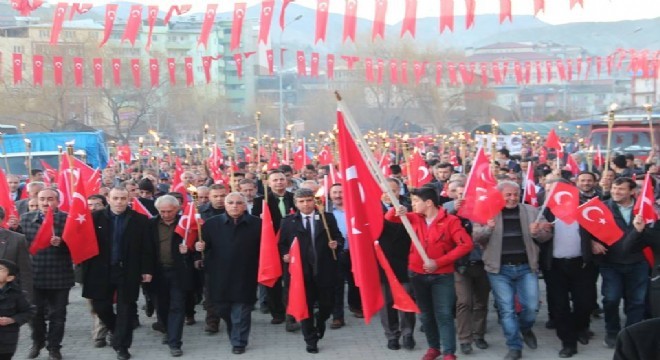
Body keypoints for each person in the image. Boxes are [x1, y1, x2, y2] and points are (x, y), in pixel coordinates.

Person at [386, 186, 473, 360]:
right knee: (425, 315)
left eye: (416, 201)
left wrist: (439, 262)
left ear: (428, 203)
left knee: (443, 314)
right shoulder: (414, 218)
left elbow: (466, 244)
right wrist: (396, 211)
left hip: (442, 276)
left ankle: (449, 352)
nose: (413, 204)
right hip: (417, 274)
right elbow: (389, 218)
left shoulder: (451, 221)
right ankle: (434, 348)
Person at [472, 181, 552, 360]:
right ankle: (514, 346)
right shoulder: (487, 211)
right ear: (498, 196)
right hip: (499, 270)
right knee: (507, 309)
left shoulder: (531, 211)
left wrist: (538, 232)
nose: (512, 198)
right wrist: (488, 228)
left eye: (515, 194)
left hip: (526, 268)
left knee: (531, 307)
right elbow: (476, 237)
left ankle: (525, 328)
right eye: (508, 195)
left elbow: (546, 235)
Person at [82, 187, 154, 360]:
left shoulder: (140, 220)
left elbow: (147, 248)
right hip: (101, 271)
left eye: (123, 198)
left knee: (126, 309)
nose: (119, 202)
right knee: (100, 306)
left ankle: (121, 346)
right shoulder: (94, 218)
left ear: (128, 199)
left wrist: (147, 270)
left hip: (128, 270)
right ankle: (116, 330)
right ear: (108, 198)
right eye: (115, 198)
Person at [278, 188, 343, 354]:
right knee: (305, 305)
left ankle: (320, 322)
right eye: (301, 201)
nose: (306, 204)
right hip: (302, 273)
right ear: (296, 204)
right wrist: (285, 254)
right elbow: (282, 244)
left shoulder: (326, 217)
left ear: (314, 201)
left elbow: (338, 237)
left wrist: (336, 243)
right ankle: (310, 339)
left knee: (327, 304)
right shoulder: (288, 221)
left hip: (324, 270)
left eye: (308, 200)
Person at [196, 192, 261, 355]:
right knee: (223, 309)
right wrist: (199, 249)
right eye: (230, 202)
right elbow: (204, 248)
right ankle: (234, 331)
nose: (234, 206)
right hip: (219, 275)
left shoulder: (258, 224)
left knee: (242, 310)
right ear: (225, 205)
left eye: (238, 203)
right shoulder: (211, 224)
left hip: (246, 274)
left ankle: (239, 341)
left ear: (245, 205)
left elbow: (265, 250)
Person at [540, 179, 597, 358]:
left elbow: (599, 229)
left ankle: (581, 329)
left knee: (584, 302)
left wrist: (594, 242)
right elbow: (537, 240)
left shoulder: (584, 209)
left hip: (581, 264)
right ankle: (568, 342)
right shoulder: (544, 213)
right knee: (560, 305)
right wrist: (538, 232)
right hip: (555, 266)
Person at [19, 188, 72, 360]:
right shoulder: (26, 219)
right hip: (34, 275)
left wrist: (63, 243)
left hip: (60, 275)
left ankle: (54, 348)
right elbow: (20, 246)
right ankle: (38, 341)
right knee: (34, 314)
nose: (45, 202)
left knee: (58, 315)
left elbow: (79, 247)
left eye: (50, 198)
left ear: (57, 201)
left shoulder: (67, 219)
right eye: (42, 199)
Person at [597, 177, 650, 348]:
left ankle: (631, 335)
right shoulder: (603, 208)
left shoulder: (644, 208)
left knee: (637, 302)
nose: (615, 192)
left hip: (638, 262)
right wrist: (591, 242)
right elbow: (587, 229)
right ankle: (612, 332)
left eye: (621, 189)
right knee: (611, 299)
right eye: (614, 188)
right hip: (611, 262)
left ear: (632, 192)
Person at [443, 181, 490, 355]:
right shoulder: (448, 208)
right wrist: (454, 209)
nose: (462, 196)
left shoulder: (481, 209)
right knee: (464, 302)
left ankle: (479, 335)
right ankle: (465, 339)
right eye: (458, 192)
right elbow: (440, 222)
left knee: (481, 302)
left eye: (465, 193)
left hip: (481, 263)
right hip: (460, 265)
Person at [149, 195, 195, 357]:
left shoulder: (186, 224)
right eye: (162, 211)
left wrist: (189, 249)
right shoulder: (151, 224)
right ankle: (167, 330)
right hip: (157, 273)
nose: (166, 214)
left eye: (169, 211)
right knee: (161, 307)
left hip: (178, 272)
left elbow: (198, 244)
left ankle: (175, 342)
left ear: (177, 209)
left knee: (177, 307)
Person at [251, 170, 296, 330]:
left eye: (282, 179)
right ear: (269, 183)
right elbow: (254, 224)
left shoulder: (294, 199)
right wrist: (261, 219)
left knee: (292, 280)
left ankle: (293, 310)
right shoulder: (261, 201)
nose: (279, 183)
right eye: (275, 180)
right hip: (271, 246)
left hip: (292, 244)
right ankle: (277, 313)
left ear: (287, 181)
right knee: (273, 281)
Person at [378, 178, 416, 351]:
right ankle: (392, 335)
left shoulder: (409, 207)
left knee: (407, 298)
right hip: (383, 262)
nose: (390, 194)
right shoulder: (372, 209)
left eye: (393, 190)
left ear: (399, 191)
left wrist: (406, 215)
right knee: (387, 302)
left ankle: (408, 333)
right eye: (386, 191)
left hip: (405, 261)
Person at [329, 183, 362, 330]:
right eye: (334, 192)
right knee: (337, 285)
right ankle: (338, 316)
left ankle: (356, 306)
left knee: (355, 281)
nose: (337, 195)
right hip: (336, 253)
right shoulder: (326, 212)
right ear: (330, 195)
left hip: (354, 251)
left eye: (340, 192)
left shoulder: (356, 209)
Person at [196, 183, 227, 334]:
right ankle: (212, 321)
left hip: (231, 257)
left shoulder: (235, 209)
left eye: (222, 196)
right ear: (209, 197)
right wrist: (197, 254)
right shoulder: (200, 212)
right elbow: (193, 236)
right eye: (216, 196)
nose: (220, 199)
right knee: (210, 292)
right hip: (210, 256)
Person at [0, 259, 36, 360]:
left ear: (10, 277)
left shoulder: (17, 294)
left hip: (6, 341)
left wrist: (12, 320)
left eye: (0, 269)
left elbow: (29, 311)